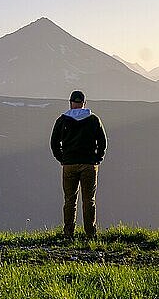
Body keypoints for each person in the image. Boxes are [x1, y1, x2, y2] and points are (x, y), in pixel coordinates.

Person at [50, 90, 107, 239]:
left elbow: (54, 143)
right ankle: (90, 233)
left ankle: (68, 233)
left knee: (70, 199)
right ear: (84, 103)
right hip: (89, 164)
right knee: (89, 200)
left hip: (69, 164)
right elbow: (102, 142)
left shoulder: (62, 120)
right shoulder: (93, 119)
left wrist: (62, 158)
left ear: (70, 103)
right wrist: (98, 158)